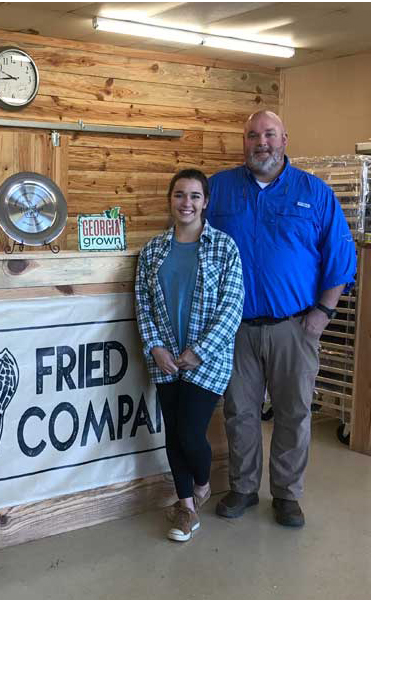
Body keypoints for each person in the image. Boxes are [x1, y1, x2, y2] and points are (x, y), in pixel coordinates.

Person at [206, 110, 357, 528]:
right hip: (235, 329)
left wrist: (322, 316)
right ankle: (243, 488)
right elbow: (194, 243)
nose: (261, 143)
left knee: (293, 413)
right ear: (244, 143)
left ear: (285, 138)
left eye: (269, 134)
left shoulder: (315, 192)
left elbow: (341, 259)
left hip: (296, 327)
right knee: (240, 413)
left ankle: (288, 495)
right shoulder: (219, 190)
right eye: (253, 135)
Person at [135, 168, 244, 542]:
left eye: (195, 196)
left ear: (206, 202)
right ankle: (186, 507)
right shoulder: (153, 251)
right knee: (172, 433)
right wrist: (156, 347)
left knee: (190, 432)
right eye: (180, 194)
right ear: (170, 199)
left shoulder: (224, 247)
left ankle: (201, 483)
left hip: (207, 361)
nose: (187, 203)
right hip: (165, 360)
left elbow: (232, 307)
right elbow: (143, 305)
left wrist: (199, 352)